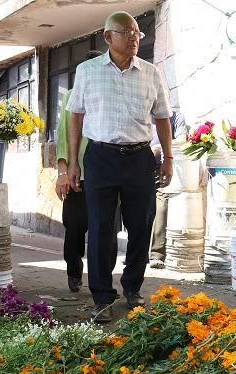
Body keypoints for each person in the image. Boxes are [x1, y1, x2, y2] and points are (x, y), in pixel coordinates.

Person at [66, 11, 173, 323]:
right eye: (127, 32)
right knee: (100, 228)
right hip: (99, 157)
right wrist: (72, 162)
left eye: (138, 33)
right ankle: (101, 296)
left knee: (141, 226)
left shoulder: (152, 73)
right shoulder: (87, 71)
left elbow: (163, 118)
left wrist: (168, 158)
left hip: (140, 158)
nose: (135, 38)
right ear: (108, 36)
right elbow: (76, 115)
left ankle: (133, 288)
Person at [55, 49, 119, 294]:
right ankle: (74, 272)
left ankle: (103, 277)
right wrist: (63, 172)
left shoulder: (112, 95)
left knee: (108, 231)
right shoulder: (72, 95)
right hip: (78, 174)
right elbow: (63, 137)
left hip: (108, 173)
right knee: (75, 227)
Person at [149, 110, 188, 269]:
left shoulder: (176, 116)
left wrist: (160, 148)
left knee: (161, 206)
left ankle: (156, 254)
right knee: (137, 208)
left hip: (161, 167)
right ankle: (136, 252)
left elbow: (182, 140)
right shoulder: (140, 113)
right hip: (137, 166)